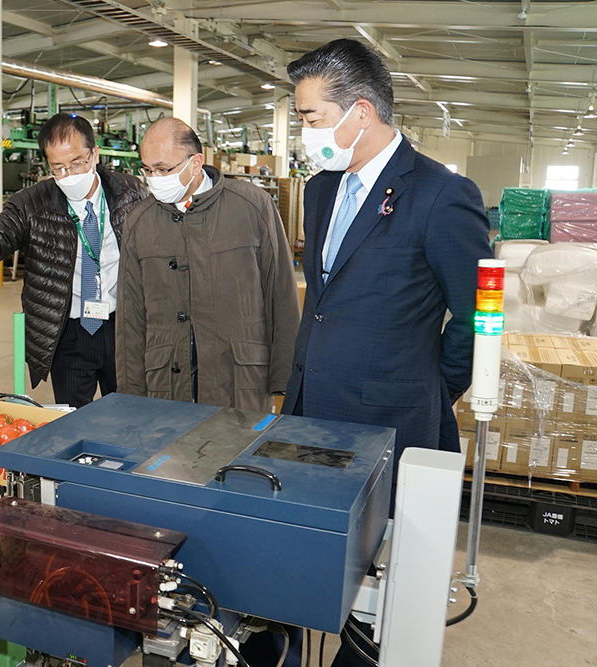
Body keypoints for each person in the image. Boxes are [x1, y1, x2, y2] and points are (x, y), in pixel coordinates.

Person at [268, 39, 492, 667]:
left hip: (391, 422)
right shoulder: (319, 190)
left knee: (381, 588)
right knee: (309, 563)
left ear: (359, 112)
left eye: (311, 118)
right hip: (310, 417)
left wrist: (427, 387)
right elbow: (325, 301)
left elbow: (477, 316)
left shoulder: (441, 195)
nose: (305, 132)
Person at [0, 113, 145, 408]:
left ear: (94, 154)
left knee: (130, 412)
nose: (69, 174)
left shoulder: (131, 193)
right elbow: (0, 230)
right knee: (72, 418)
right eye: (58, 167)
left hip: (123, 325)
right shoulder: (32, 203)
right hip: (69, 331)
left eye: (78, 163)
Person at [116, 117, 299, 411]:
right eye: (148, 170)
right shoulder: (140, 221)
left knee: (237, 454)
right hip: (167, 381)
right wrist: (130, 393)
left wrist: (285, 377)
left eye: (164, 169)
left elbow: (282, 296)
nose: (155, 178)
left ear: (196, 162)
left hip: (239, 379)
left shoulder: (252, 206)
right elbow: (130, 317)